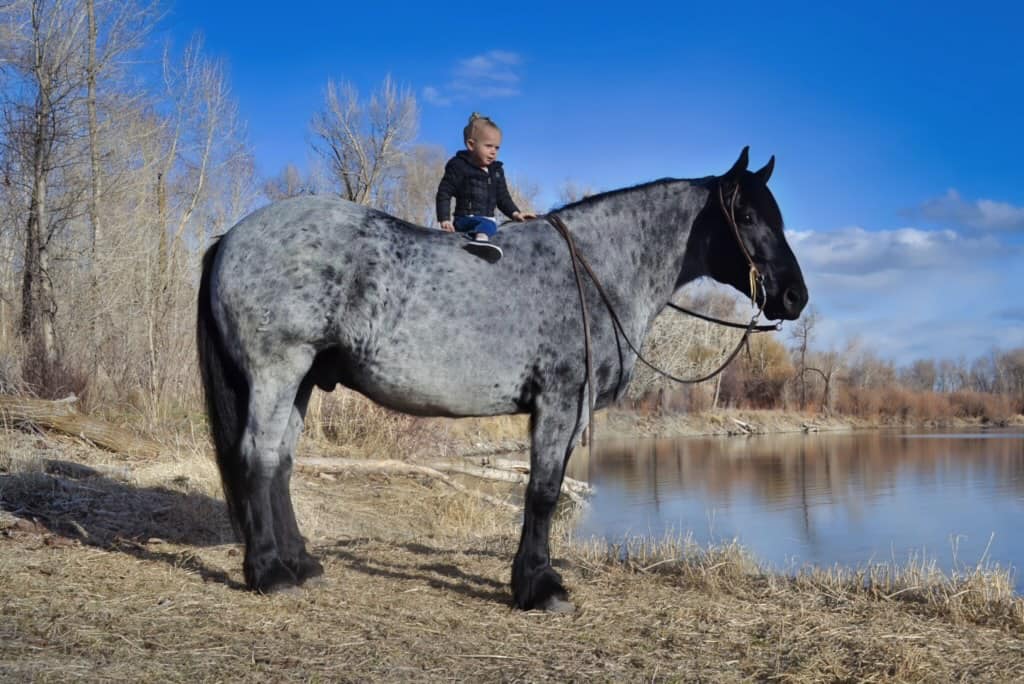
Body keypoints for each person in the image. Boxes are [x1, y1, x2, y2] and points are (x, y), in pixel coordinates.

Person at [436, 113, 535, 260]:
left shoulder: (496, 171)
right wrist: (444, 219)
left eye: (497, 147)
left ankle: (485, 239)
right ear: (471, 145)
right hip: (466, 219)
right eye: (488, 146)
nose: (493, 151)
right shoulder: (458, 166)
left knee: (501, 229)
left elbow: (503, 197)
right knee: (488, 224)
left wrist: (515, 213)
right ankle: (480, 243)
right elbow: (444, 192)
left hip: (488, 221)